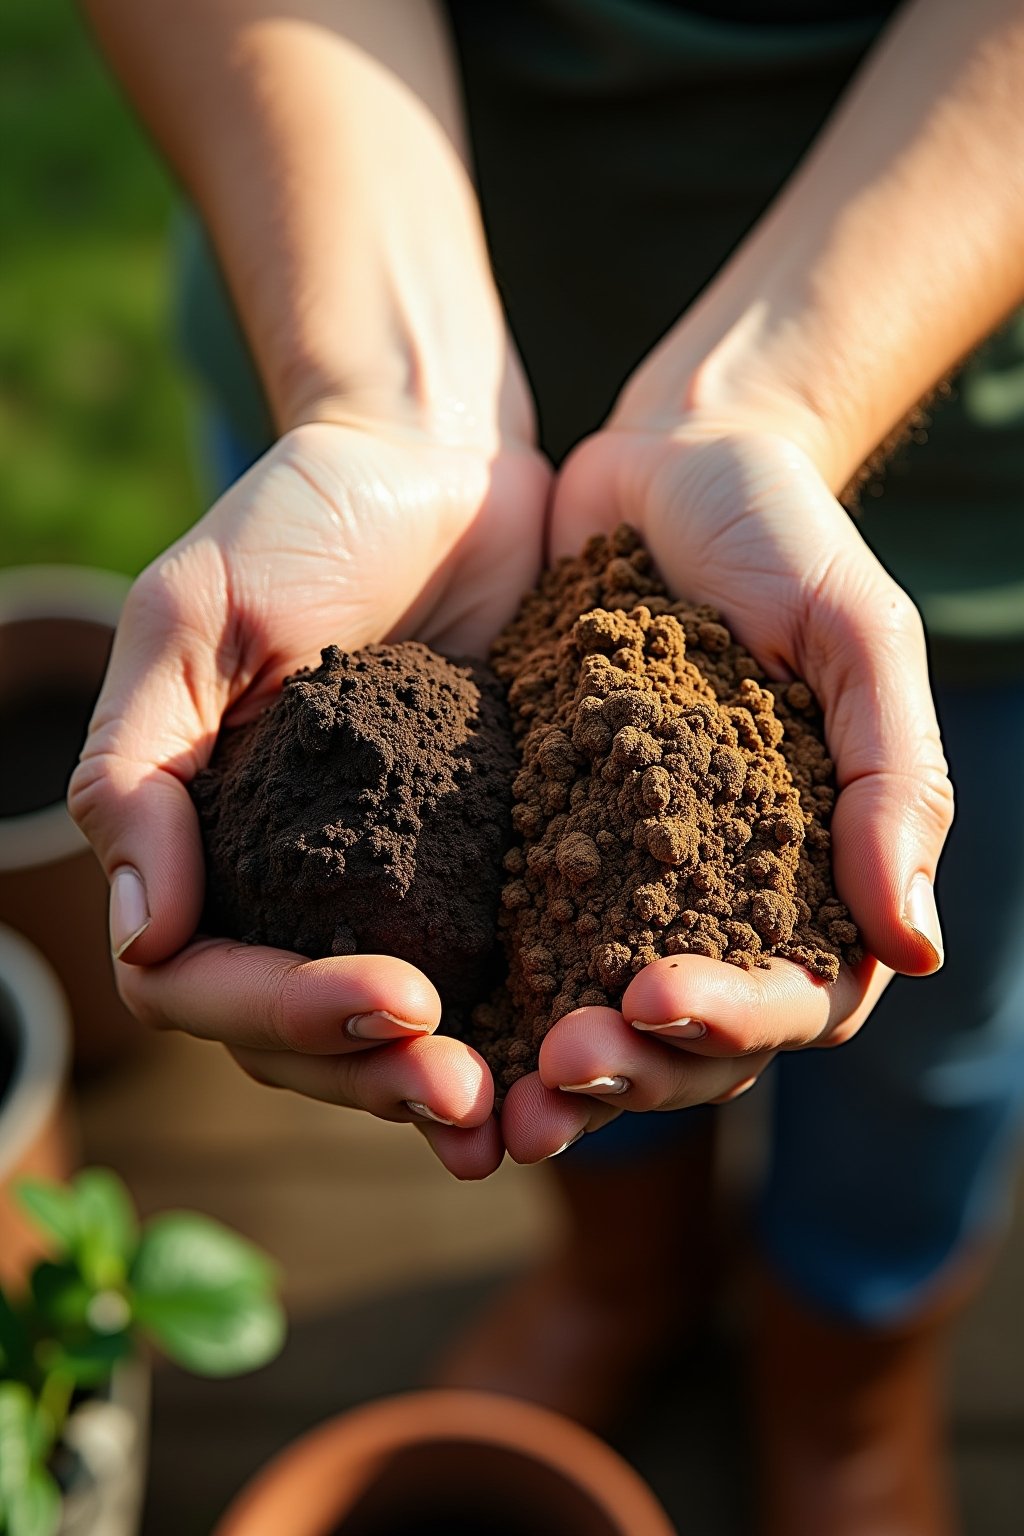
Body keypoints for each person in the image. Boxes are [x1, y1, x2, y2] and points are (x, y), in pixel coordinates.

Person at [74, 2, 1024, 1530]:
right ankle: (621, 1280)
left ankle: (851, 1368)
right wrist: (399, 405)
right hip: (342, 276)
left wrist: (764, 405)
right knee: (557, 1047)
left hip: (971, 473)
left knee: (939, 1028)